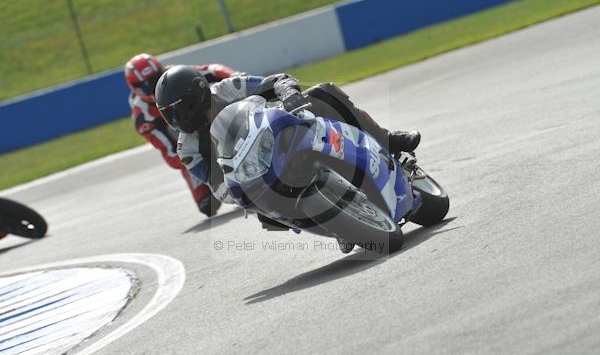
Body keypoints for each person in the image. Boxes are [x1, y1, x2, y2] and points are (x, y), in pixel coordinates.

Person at [154, 66, 420, 202]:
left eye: (183, 109)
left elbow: (277, 80)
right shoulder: (187, 150)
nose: (179, 119)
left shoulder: (228, 88)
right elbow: (217, 189)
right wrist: (237, 189)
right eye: (170, 115)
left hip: (279, 133)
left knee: (322, 92)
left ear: (200, 92)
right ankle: (331, 222)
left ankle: (385, 139)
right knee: (263, 215)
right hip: (256, 180)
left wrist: (289, 95)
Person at [124, 53, 239, 217]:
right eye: (148, 84)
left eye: (157, 77)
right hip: (188, 143)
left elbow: (212, 70)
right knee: (208, 205)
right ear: (136, 87)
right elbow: (170, 153)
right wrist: (202, 154)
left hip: (207, 119)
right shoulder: (143, 117)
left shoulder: (174, 75)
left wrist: (234, 76)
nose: (155, 85)